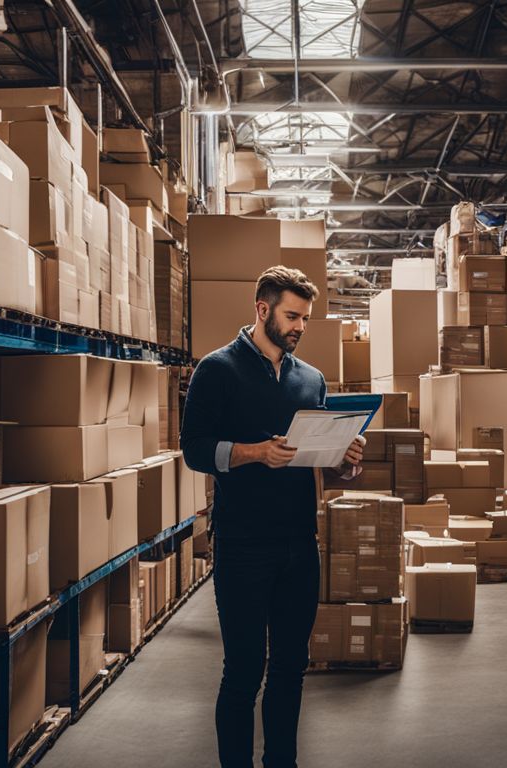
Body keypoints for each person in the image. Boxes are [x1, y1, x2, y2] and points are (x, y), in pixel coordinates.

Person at [180, 265, 365, 768]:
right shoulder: (217, 370)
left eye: (306, 317)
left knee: (290, 667)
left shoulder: (312, 379)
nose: (301, 326)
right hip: (242, 545)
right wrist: (253, 452)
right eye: (292, 316)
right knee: (243, 671)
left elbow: (321, 463)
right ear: (262, 310)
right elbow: (194, 450)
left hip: (300, 544)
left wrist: (345, 460)